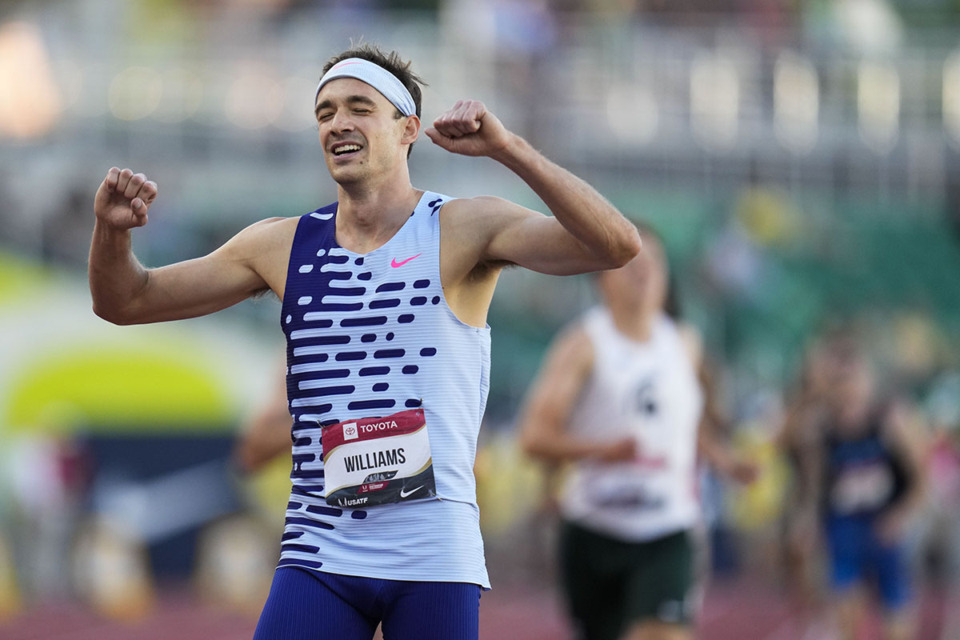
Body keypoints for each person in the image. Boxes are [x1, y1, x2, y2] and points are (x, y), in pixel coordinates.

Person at [88, 44, 641, 640]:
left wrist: (510, 150)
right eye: (324, 113)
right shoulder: (281, 245)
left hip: (432, 555)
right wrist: (111, 235)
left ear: (408, 129)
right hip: (321, 551)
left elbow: (614, 246)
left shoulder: (462, 228)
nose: (338, 124)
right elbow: (127, 302)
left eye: (359, 107)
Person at [517, 227, 756, 640]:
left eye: (654, 264)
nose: (644, 273)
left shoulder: (685, 343)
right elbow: (534, 437)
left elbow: (683, 420)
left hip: (668, 529)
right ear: (601, 276)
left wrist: (723, 460)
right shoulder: (583, 345)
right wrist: (600, 451)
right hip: (595, 529)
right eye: (630, 264)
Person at [788, 329, 927, 640]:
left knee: (897, 621)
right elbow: (809, 476)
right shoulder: (821, 428)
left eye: (853, 378)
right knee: (846, 614)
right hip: (844, 529)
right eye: (839, 381)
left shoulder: (890, 421)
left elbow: (921, 479)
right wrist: (807, 521)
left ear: (868, 379)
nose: (847, 388)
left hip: (884, 529)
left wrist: (900, 516)